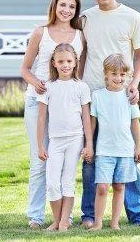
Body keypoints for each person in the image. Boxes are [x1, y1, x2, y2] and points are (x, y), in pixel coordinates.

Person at [80, 0, 140, 228]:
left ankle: (136, 214)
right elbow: (83, 53)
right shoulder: (86, 17)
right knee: (91, 156)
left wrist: (134, 83)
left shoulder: (132, 17)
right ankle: (89, 214)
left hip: (121, 94)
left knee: (127, 155)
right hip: (93, 95)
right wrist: (78, 84)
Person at [20, 0, 86, 229]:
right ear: (54, 6)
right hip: (38, 103)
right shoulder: (41, 33)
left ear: (76, 10)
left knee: (67, 164)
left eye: (71, 6)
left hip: (67, 107)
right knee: (40, 159)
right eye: (63, 5)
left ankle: (64, 218)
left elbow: (81, 71)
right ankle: (35, 216)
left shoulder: (80, 35)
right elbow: (24, 69)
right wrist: (37, 83)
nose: (67, 10)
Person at [36, 43, 93, 231]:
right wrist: (40, 146)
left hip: (75, 139)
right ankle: (57, 219)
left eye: (69, 61)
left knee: (68, 181)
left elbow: (86, 117)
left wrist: (88, 143)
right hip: (55, 141)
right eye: (61, 61)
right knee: (52, 183)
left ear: (75, 62)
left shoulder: (81, 87)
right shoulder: (48, 87)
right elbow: (42, 117)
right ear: (54, 63)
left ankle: (63, 222)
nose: (65, 65)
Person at [89, 54, 140, 230]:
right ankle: (97, 224)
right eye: (114, 74)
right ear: (106, 74)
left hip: (125, 151)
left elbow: (135, 123)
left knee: (119, 187)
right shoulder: (97, 96)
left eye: (122, 75)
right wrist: (89, 145)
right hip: (104, 150)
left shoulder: (130, 97)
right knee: (102, 187)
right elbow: (92, 123)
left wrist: (138, 147)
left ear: (127, 76)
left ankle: (114, 223)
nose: (118, 78)